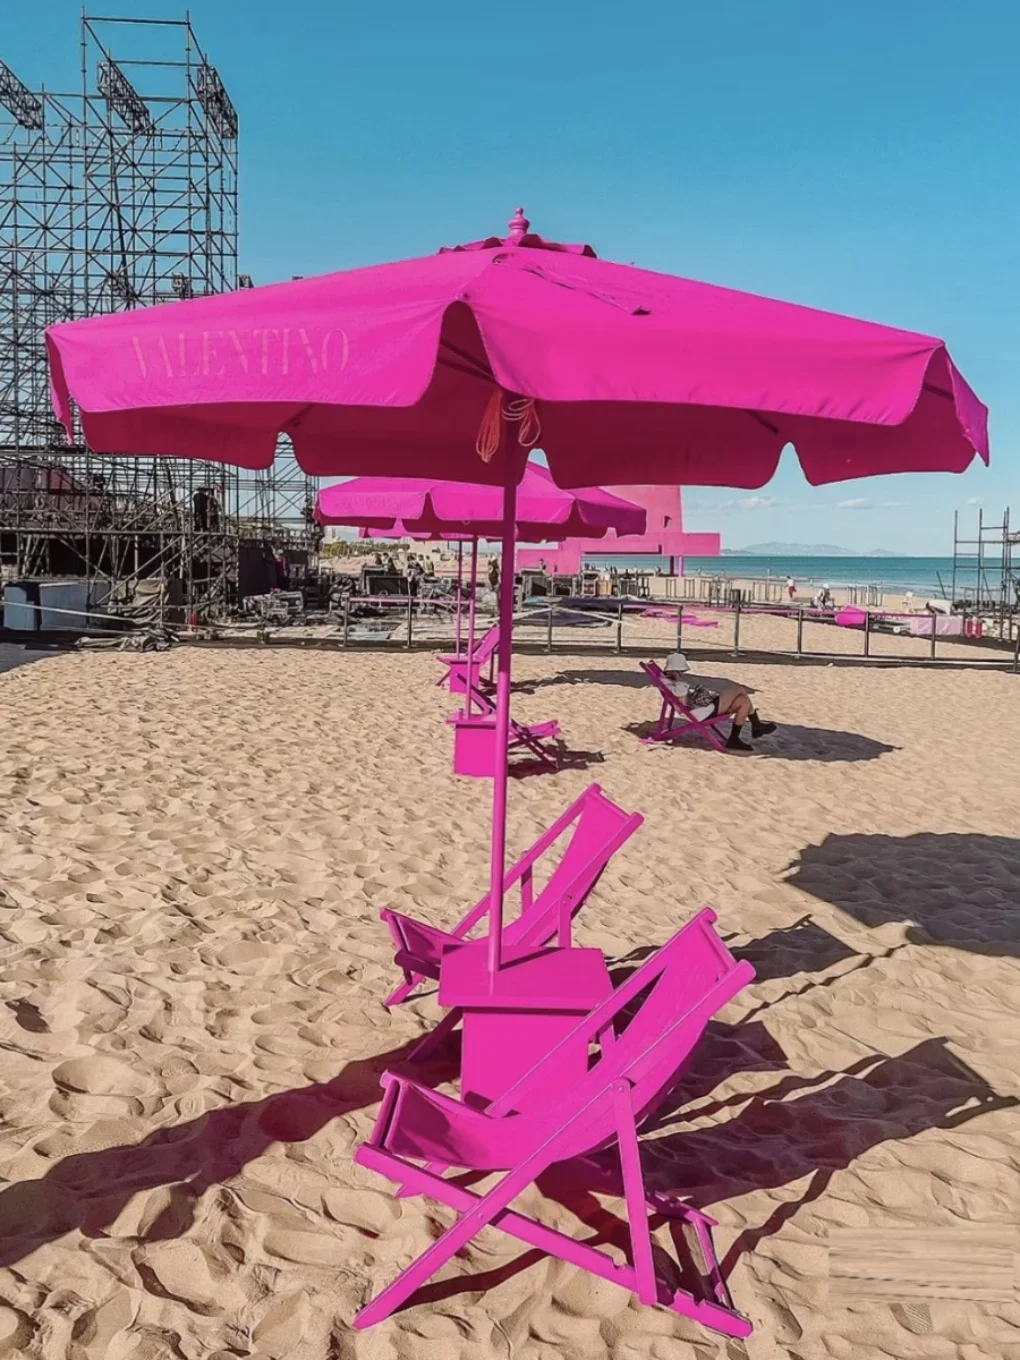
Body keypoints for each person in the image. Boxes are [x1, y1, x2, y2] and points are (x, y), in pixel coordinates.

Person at [660, 652, 776, 753]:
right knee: (739, 689)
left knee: (743, 702)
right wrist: (678, 679)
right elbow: (680, 692)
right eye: (680, 670)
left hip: (700, 708)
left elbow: (681, 694)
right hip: (699, 712)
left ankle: (735, 739)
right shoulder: (670, 682)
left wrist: (677, 678)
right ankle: (756, 726)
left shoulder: (669, 680)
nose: (682, 672)